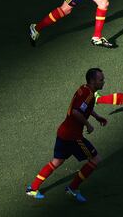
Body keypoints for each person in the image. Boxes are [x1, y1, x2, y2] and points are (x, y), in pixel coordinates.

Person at [26, 68, 108, 202]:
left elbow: (84, 107)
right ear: (93, 81)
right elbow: (76, 111)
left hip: (63, 132)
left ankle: (32, 188)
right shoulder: (88, 95)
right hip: (73, 137)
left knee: (57, 161)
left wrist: (97, 117)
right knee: (95, 159)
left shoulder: (85, 89)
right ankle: (72, 188)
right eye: (101, 80)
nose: (103, 82)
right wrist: (88, 124)